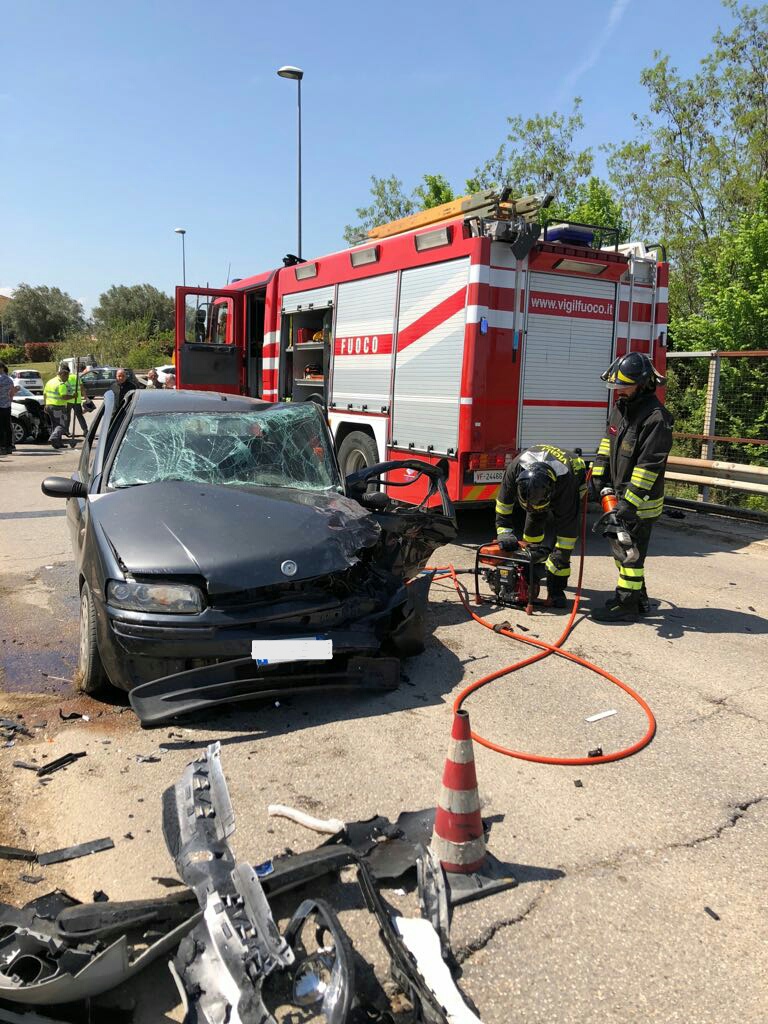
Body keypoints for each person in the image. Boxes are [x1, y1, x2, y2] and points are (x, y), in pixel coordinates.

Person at [590, 352, 673, 622]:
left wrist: (629, 503)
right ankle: (639, 598)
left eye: (624, 386)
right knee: (622, 551)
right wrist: (599, 477)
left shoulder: (656, 419)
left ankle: (626, 605)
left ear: (643, 384)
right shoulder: (621, 410)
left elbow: (649, 467)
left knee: (630, 555)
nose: (619, 391)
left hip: (640, 504)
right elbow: (607, 444)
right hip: (620, 497)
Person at [495, 444, 587, 608]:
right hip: (541, 480)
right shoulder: (514, 469)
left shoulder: (566, 485)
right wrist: (504, 533)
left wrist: (559, 558)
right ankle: (531, 573)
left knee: (563, 549)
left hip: (573, 479)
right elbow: (503, 506)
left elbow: (567, 533)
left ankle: (556, 590)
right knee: (532, 531)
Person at [44, 365, 75, 449]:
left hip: (49, 406)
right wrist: (73, 396)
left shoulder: (50, 382)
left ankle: (57, 444)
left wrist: (45, 404)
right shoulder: (61, 384)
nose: (67, 379)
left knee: (55, 425)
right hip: (58, 407)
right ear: (63, 375)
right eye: (67, 377)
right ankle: (53, 437)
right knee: (63, 425)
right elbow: (64, 397)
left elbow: (45, 394)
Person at [66, 363, 90, 438]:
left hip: (68, 400)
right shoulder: (76, 377)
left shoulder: (65, 378)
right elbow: (82, 388)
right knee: (80, 416)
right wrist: (85, 397)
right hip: (77, 400)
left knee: (67, 416)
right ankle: (85, 430)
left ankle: (66, 431)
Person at [0, 361, 18, 455]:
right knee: (7, 426)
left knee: (1, 427)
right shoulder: (9, 379)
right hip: (7, 406)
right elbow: (12, 394)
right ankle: (9, 447)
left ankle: (2, 447)